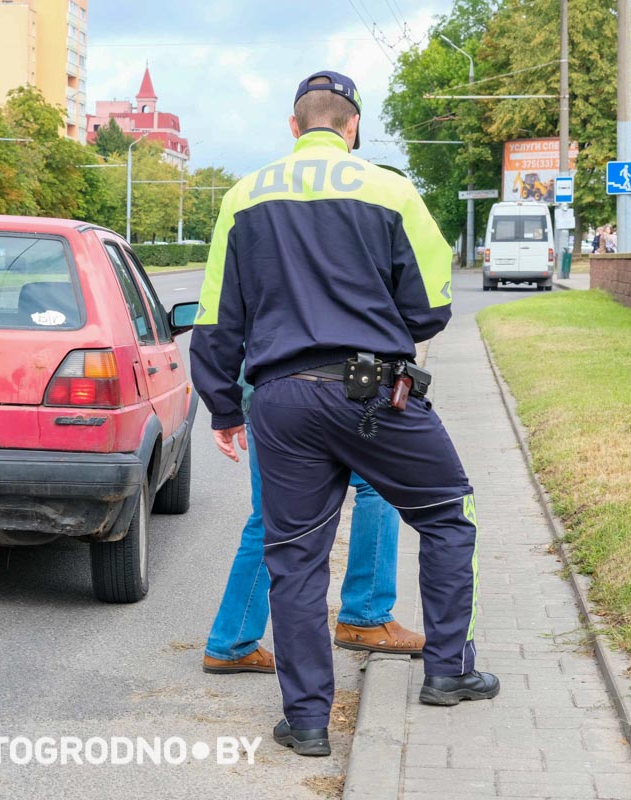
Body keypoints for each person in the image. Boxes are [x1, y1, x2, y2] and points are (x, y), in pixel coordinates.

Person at [190, 70, 498, 758]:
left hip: (282, 399)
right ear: (352, 127)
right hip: (375, 394)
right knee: (449, 517)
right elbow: (433, 301)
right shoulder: (390, 189)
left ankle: (305, 723)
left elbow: (216, 316)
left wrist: (220, 406)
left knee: (294, 559)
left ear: (295, 129)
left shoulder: (244, 196)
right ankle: (448, 672)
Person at [203, 373, 422, 676]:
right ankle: (366, 614)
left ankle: (231, 640)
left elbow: (210, 335)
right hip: (326, 395)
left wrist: (224, 407)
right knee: (380, 485)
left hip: (266, 400)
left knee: (269, 518)